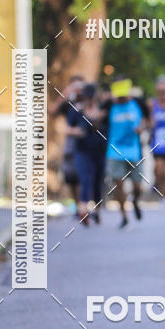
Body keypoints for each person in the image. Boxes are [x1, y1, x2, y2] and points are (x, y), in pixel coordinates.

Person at [105, 77, 146, 228]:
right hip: (114, 152)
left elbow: (146, 120)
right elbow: (97, 115)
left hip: (133, 151)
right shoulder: (109, 105)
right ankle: (124, 216)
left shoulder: (137, 103)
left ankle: (135, 201)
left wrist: (142, 127)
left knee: (138, 186)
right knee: (119, 185)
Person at [67, 83, 107, 225]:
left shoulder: (103, 110)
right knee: (85, 179)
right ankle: (83, 210)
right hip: (82, 151)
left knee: (97, 181)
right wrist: (76, 132)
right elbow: (67, 128)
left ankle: (96, 210)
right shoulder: (77, 111)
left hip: (100, 151)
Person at [50, 74, 85, 205]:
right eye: (74, 87)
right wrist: (65, 94)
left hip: (87, 144)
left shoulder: (89, 101)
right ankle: (78, 206)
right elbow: (52, 111)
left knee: (85, 175)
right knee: (71, 177)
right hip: (71, 144)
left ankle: (85, 204)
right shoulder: (68, 103)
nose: (78, 90)